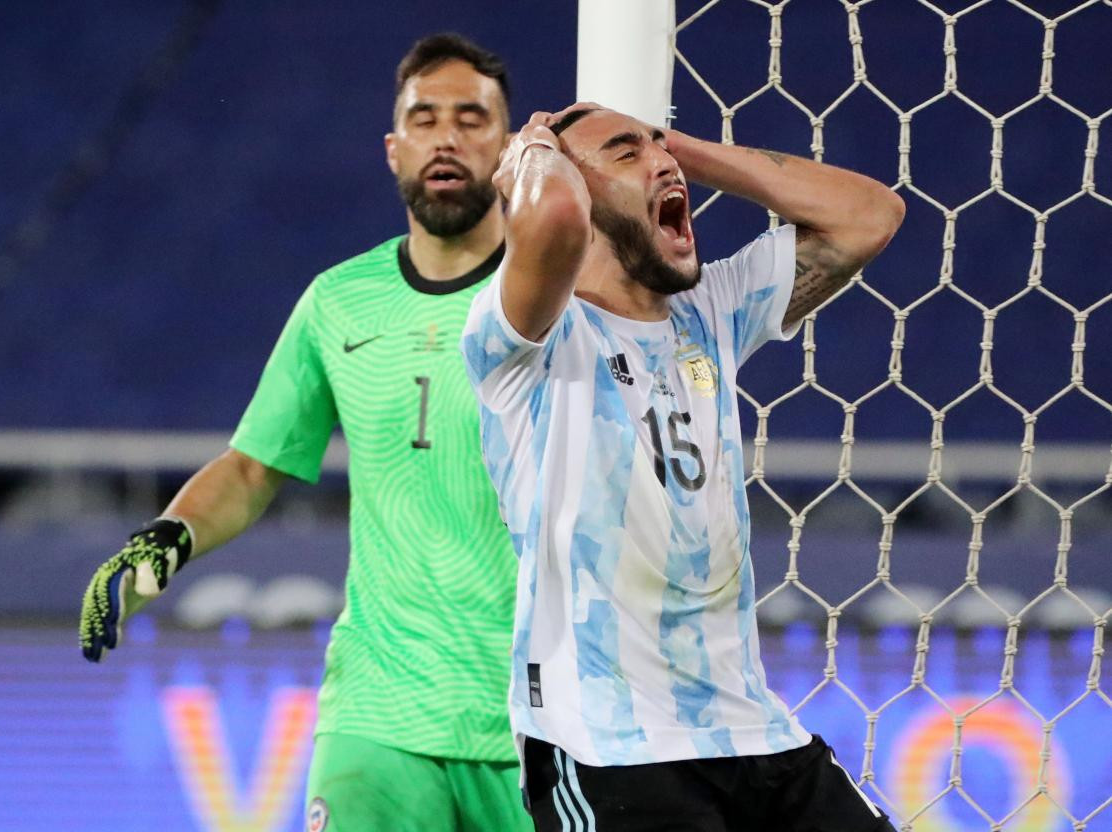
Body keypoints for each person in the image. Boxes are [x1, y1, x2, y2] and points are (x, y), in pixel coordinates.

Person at [79, 34, 534, 832]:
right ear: (393, 150)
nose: (448, 138)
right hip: (377, 713)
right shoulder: (339, 302)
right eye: (425, 120)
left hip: (540, 719)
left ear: (510, 148)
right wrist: (167, 538)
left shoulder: (563, 296)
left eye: (472, 119)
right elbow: (254, 468)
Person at [460, 103, 905, 831]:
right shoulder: (529, 336)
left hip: (753, 731)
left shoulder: (710, 310)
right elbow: (555, 222)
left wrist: (679, 153)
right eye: (624, 152)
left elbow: (870, 215)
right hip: (609, 748)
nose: (659, 162)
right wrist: (536, 156)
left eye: (656, 146)